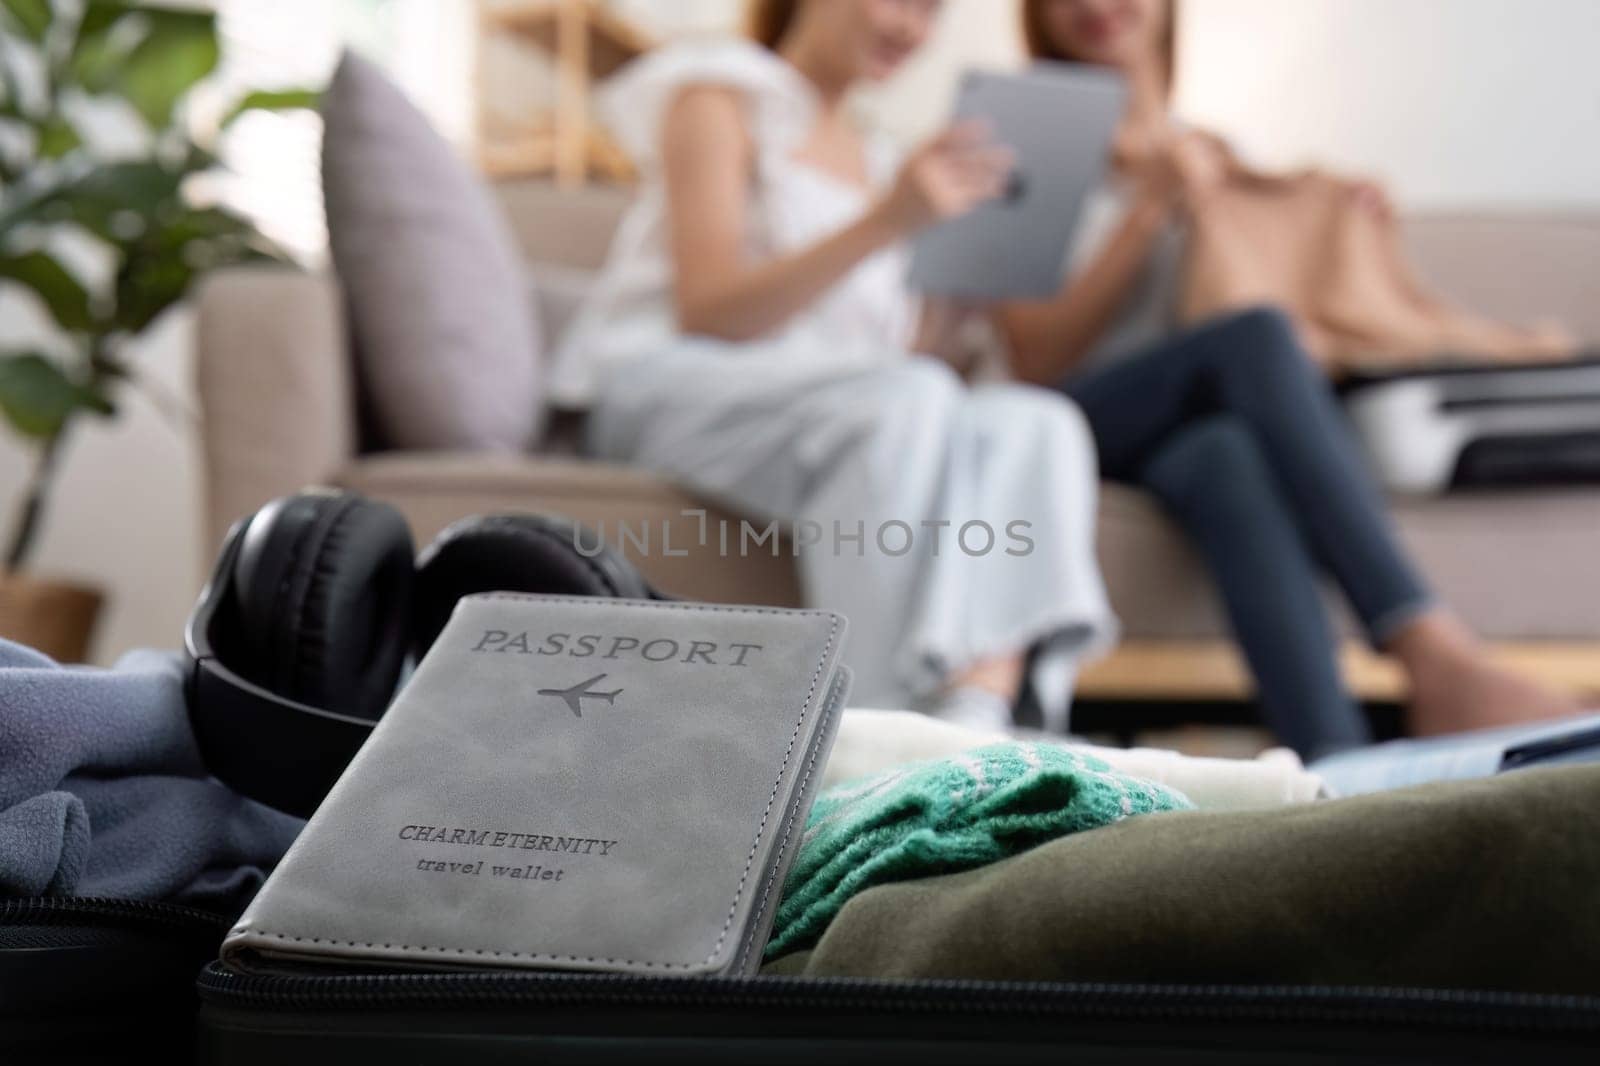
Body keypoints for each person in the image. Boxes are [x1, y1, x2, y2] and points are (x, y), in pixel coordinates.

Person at [1000, 0, 1580, 756]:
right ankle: (1427, 645)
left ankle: (1336, 786)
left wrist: (1340, 223)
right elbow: (1031, 359)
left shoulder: (1213, 155)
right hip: (1067, 419)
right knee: (1255, 338)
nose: (1096, 6)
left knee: (1226, 457)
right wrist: (1147, 209)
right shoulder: (1025, 141)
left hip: (1180, 432)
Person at [550, 0, 1115, 731]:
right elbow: (711, 310)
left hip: (827, 408)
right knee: (904, 400)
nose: (913, 29)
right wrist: (889, 223)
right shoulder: (720, 94)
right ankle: (880, 727)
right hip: (669, 381)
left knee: (1035, 420)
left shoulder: (883, 158)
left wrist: (954, 296)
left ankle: (984, 712)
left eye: (932, 12)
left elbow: (893, 372)